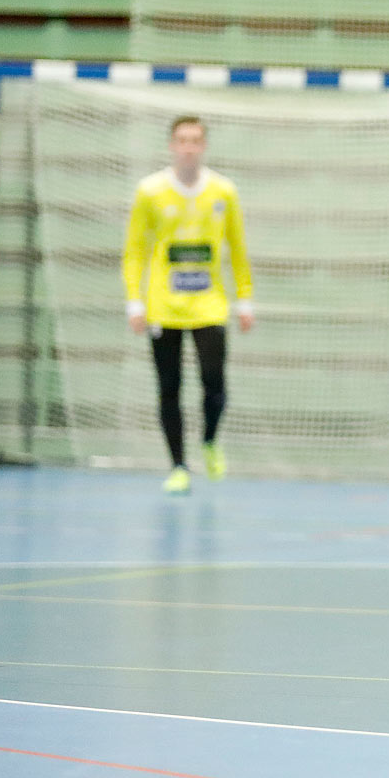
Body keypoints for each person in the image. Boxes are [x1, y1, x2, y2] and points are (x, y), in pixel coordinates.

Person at [122, 116, 255, 495]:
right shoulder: (149, 191)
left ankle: (210, 439)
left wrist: (245, 298)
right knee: (169, 387)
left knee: (214, 382)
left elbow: (238, 250)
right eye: (182, 140)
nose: (188, 146)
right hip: (163, 305)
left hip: (209, 304)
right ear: (171, 145)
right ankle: (178, 465)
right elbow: (134, 251)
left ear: (204, 145)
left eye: (195, 140)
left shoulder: (223, 192)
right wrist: (134, 301)